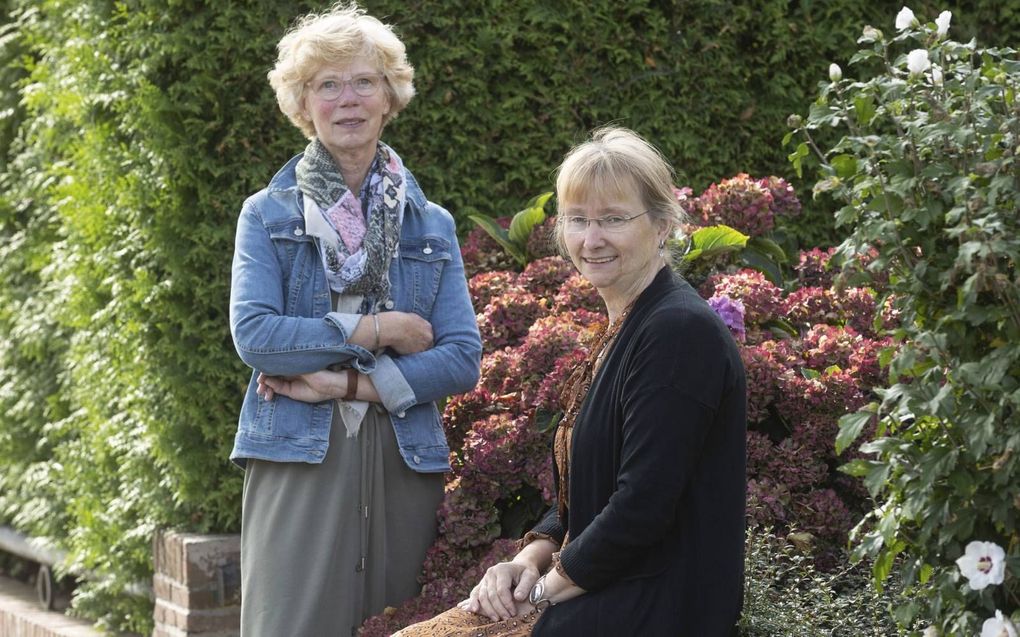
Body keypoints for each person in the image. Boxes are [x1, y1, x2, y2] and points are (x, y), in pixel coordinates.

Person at [395, 127, 747, 637]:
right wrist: (530, 557)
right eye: (578, 220)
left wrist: (535, 595)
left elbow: (641, 508)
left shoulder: (678, 333)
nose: (591, 239)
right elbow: (588, 493)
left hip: (652, 606)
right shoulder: (627, 327)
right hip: (603, 589)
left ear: (663, 223)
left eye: (613, 219)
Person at [227, 4, 482, 635]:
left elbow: (461, 359)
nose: (349, 100)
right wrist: (378, 331)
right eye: (328, 85)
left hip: (405, 460)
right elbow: (258, 338)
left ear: (389, 97)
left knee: (399, 624)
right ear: (303, 102)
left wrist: (346, 383)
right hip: (297, 451)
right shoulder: (266, 215)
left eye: (365, 81)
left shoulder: (432, 224)